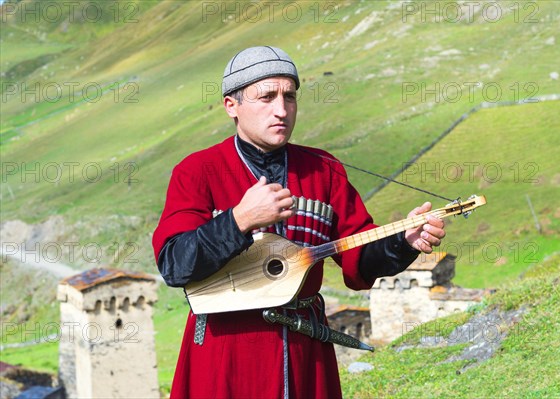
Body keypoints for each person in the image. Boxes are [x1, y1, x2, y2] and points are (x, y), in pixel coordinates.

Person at [152, 46, 446, 399]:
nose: (281, 110)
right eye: (266, 97)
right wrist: (239, 220)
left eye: (289, 96)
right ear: (232, 106)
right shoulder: (198, 171)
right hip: (227, 352)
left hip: (305, 347)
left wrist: (403, 241)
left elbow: (358, 260)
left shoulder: (325, 170)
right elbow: (174, 264)